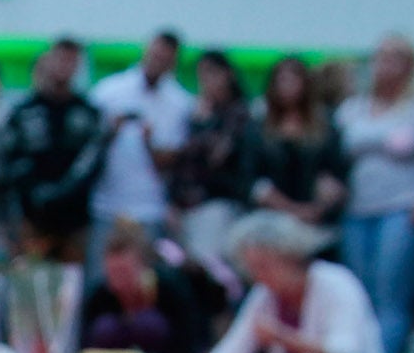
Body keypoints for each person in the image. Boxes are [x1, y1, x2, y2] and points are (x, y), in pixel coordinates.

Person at [335, 35, 414, 353]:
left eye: (395, 57)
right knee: (359, 299)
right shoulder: (352, 108)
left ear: (410, 64)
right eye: (380, 56)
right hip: (357, 211)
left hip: (402, 209)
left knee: (391, 298)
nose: (385, 64)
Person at [203, 211, 386, 353]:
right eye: (252, 269)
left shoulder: (337, 282)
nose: (259, 276)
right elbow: (229, 352)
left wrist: (282, 338)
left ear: (291, 257)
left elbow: (345, 351)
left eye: (264, 266)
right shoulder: (263, 294)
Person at [89, 30, 194, 265]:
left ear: (174, 62)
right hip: (107, 204)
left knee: (148, 281)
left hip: (151, 207)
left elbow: (175, 159)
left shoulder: (180, 103)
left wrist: (149, 142)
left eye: (166, 57)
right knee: (101, 280)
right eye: (156, 53)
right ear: (146, 50)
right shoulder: (108, 91)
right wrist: (111, 132)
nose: (159, 61)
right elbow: (86, 148)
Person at [0, 47, 106, 263]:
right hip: (32, 217)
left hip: (76, 219)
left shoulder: (88, 112)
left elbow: (94, 162)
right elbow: (12, 160)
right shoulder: (24, 112)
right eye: (59, 59)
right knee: (32, 283)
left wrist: (63, 192)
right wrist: (36, 194)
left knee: (71, 286)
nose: (63, 66)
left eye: (70, 61)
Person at [80, 217, 209, 353]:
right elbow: (85, 347)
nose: (119, 280)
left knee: (147, 323)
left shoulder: (170, 289)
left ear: (142, 266)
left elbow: (191, 337)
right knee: (106, 327)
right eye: (113, 273)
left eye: (124, 271)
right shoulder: (99, 297)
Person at [169, 50, 253, 269]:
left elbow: (218, 156)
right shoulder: (193, 112)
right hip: (184, 206)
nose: (206, 81)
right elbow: (180, 163)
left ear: (227, 75)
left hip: (216, 205)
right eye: (201, 75)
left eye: (211, 73)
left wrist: (202, 125)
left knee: (210, 270)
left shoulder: (239, 114)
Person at [248, 56, 348, 226]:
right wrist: (291, 209)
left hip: (318, 217)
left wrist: (322, 204)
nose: (287, 86)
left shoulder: (326, 126)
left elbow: (337, 172)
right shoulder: (258, 129)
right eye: (282, 80)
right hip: (269, 216)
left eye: (293, 79)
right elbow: (250, 179)